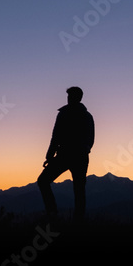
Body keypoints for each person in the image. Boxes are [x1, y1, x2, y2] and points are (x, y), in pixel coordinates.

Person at [37, 86, 94, 221]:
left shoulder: (65, 114)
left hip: (66, 155)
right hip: (75, 156)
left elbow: (55, 136)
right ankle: (75, 219)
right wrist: (50, 156)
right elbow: (90, 139)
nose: (69, 99)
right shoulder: (86, 116)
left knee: (44, 181)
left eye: (71, 96)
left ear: (78, 98)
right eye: (68, 96)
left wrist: (50, 156)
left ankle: (53, 214)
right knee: (79, 189)